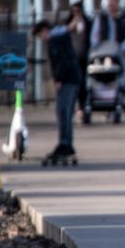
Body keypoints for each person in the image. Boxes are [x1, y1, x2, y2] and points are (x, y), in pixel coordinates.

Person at [33, 14, 85, 162]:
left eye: (40, 36)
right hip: (74, 78)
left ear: (44, 31)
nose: (41, 40)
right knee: (66, 112)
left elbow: (61, 61)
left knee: (63, 111)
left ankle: (64, 143)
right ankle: (66, 143)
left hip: (67, 80)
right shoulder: (61, 36)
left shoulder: (54, 41)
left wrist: (59, 79)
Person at [91, 0, 125, 79]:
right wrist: (98, 48)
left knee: (120, 80)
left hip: (121, 55)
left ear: (118, 2)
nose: (110, 4)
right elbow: (94, 36)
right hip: (104, 54)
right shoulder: (102, 18)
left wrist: (119, 48)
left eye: (112, 2)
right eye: (109, 2)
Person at [68, 1, 92, 113]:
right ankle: (72, 106)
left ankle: (82, 106)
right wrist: (72, 24)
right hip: (72, 58)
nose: (76, 13)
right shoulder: (69, 23)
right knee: (73, 84)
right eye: (74, 11)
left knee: (83, 82)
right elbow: (64, 32)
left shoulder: (87, 22)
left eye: (78, 11)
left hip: (84, 57)